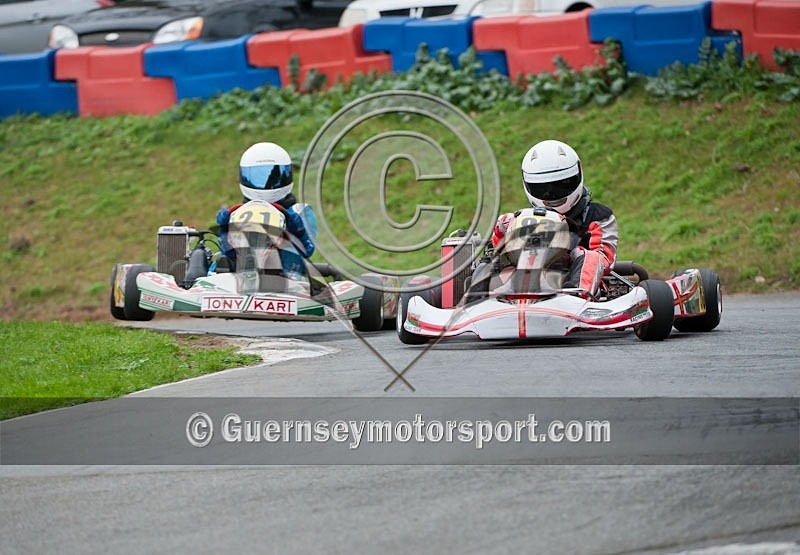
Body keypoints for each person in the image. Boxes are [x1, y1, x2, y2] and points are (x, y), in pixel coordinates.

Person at [490, 139, 618, 296]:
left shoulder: (598, 217)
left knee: (590, 258)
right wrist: (505, 228)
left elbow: (605, 260)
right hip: (524, 284)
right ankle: (497, 298)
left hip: (577, 286)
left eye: (562, 185)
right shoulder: (523, 218)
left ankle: (576, 297)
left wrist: (567, 251)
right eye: (543, 189)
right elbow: (496, 250)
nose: (551, 195)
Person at [215, 142, 317, 280]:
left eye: (273, 177)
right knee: (213, 260)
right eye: (258, 177)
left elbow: (307, 251)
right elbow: (226, 250)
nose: (265, 185)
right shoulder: (238, 213)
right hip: (240, 272)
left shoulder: (299, 212)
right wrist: (224, 230)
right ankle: (202, 283)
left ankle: (284, 282)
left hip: (285, 275)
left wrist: (296, 229)